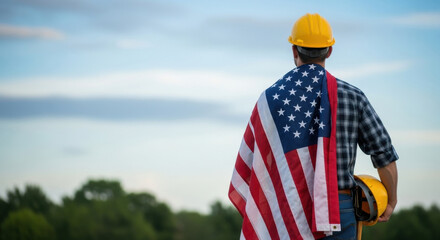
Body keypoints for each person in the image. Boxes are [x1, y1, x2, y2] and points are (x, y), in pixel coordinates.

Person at [229, 13, 398, 240]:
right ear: (329, 51)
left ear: (294, 51)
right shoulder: (353, 96)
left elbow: (257, 164)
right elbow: (384, 155)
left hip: (287, 209)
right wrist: (392, 200)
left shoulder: (270, 100)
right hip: (341, 209)